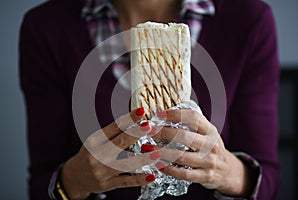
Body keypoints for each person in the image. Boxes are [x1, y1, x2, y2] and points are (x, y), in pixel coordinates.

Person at [19, 0, 280, 199]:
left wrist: (230, 173)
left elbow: (269, 179)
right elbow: (42, 183)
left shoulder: (248, 20)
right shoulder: (47, 27)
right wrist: (75, 179)